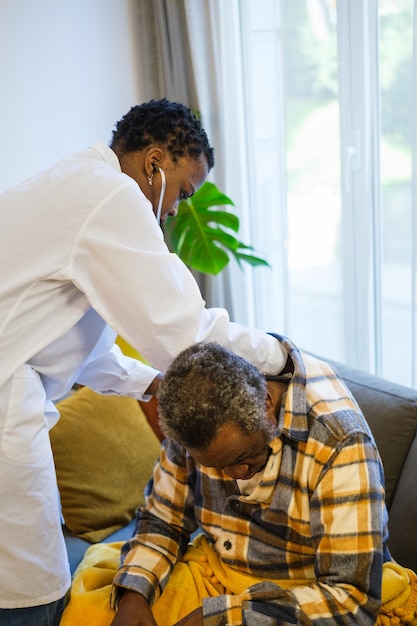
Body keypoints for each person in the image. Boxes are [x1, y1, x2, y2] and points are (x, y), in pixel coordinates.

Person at [0, 99, 288, 625]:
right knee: (33, 596)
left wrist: (148, 382)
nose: (178, 208)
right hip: (6, 408)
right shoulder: (109, 195)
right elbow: (187, 333)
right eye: (183, 189)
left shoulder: (77, 181)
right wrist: (279, 353)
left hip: (14, 381)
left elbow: (72, 346)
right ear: (154, 161)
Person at [108, 335, 391, 626]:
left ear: (266, 405)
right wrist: (134, 595)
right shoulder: (190, 418)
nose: (235, 475)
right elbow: (163, 520)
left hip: (307, 595)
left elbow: (351, 600)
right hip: (219, 572)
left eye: (241, 457)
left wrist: (224, 618)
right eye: (216, 467)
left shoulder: (339, 443)